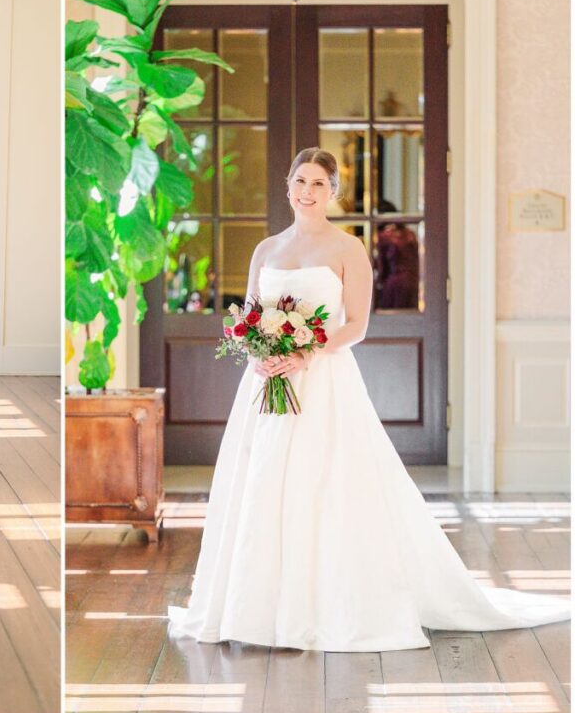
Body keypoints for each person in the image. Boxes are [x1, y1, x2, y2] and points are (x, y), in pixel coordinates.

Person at [168, 148, 569, 651]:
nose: (306, 192)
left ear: (332, 192)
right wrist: (258, 355)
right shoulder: (265, 249)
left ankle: (319, 607)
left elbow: (356, 325)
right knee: (260, 483)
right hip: (265, 384)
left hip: (322, 381)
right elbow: (248, 315)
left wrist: (303, 353)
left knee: (323, 484)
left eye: (318, 184)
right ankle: (254, 608)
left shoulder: (348, 249)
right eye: (299, 181)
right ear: (286, 186)